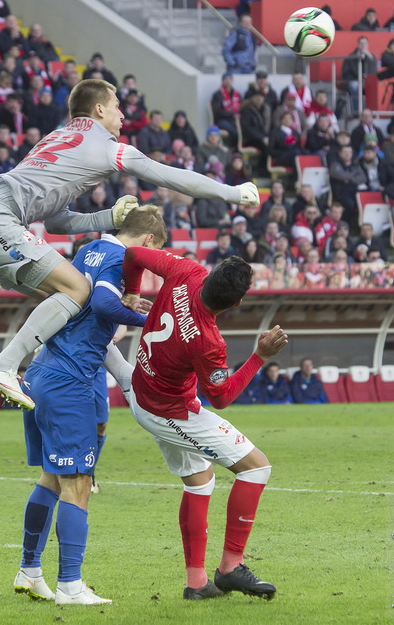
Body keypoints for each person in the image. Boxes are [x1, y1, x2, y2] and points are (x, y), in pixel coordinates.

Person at [0, 79, 260, 408]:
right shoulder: (106, 146)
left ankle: (125, 376)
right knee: (78, 290)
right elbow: (172, 176)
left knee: (76, 304)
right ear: (99, 109)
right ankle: (4, 365)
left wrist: (110, 218)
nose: (122, 114)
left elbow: (57, 221)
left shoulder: (56, 139)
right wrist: (233, 193)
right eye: (116, 105)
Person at [14, 206, 166, 605]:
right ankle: (70, 585)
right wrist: (145, 319)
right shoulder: (119, 258)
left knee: (51, 477)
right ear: (148, 242)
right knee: (78, 483)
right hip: (70, 379)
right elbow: (101, 305)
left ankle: (30, 570)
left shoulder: (92, 248)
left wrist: (132, 305)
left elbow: (93, 300)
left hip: (42, 370)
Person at [122, 248, 288, 599]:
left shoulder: (184, 270)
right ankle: (231, 567)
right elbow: (223, 397)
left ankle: (197, 584)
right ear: (237, 303)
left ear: (210, 273)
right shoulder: (208, 340)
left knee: (199, 482)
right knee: (256, 468)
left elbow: (134, 253)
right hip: (169, 411)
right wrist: (260, 357)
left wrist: (132, 292)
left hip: (143, 391)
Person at [342, 38, 378, 113]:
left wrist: (370, 57)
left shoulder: (371, 57)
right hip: (354, 80)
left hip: (367, 81)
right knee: (354, 86)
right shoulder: (351, 57)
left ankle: (372, 112)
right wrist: (360, 78)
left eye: (365, 43)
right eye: (361, 43)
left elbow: (374, 71)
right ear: (358, 45)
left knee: (376, 87)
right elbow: (346, 72)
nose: (363, 45)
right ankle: (357, 112)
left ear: (368, 45)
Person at [210, 73, 241, 148]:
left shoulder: (237, 94)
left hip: (235, 120)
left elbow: (241, 108)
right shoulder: (218, 95)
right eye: (226, 79)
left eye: (229, 79)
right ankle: (231, 149)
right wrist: (232, 114)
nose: (228, 81)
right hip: (222, 120)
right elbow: (217, 112)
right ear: (222, 81)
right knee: (234, 133)